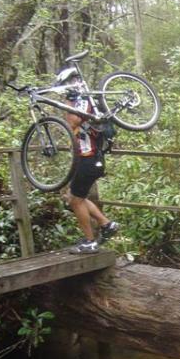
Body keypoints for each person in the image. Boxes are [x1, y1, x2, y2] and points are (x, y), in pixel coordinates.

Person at [56, 66, 119, 254]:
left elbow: (74, 122)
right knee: (74, 196)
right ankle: (107, 224)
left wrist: (69, 100)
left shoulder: (82, 100)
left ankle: (90, 241)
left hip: (89, 158)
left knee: (75, 201)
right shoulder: (82, 100)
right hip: (87, 159)